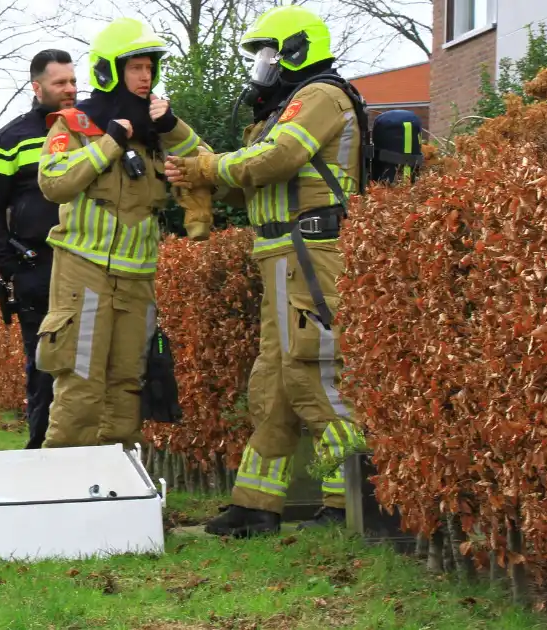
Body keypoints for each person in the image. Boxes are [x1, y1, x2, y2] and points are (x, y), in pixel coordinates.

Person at [164, 5, 364, 537]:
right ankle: (257, 505)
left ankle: (353, 501)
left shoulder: (322, 97)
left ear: (297, 50)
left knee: (314, 372)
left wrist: (207, 166)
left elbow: (275, 161)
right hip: (279, 251)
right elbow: (248, 177)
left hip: (312, 249)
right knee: (271, 383)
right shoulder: (282, 109)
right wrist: (194, 171)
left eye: (268, 53)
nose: (262, 65)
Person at [33, 18, 208, 449]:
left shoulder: (158, 131)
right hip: (84, 272)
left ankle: (118, 492)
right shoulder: (75, 123)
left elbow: (208, 165)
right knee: (81, 383)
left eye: (150, 68)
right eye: (136, 67)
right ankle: (65, 490)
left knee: (128, 385)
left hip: (138, 278)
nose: (146, 76)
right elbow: (54, 183)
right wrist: (110, 142)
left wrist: (174, 127)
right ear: (112, 70)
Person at [0, 49, 77, 449]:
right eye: (60, 83)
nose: (70, 89)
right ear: (37, 88)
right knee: (44, 367)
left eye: (73, 81)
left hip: (89, 264)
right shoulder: (12, 137)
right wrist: (11, 267)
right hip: (38, 268)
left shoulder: (90, 127)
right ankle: (40, 452)